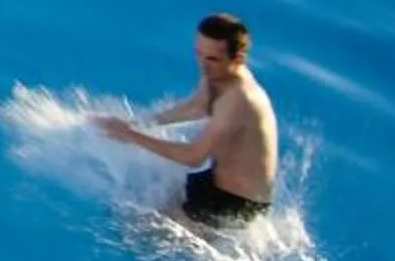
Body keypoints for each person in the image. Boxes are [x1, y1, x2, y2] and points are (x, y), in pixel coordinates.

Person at [92, 13, 279, 227]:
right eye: (199, 54)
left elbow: (194, 157)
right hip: (212, 180)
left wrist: (129, 135)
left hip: (235, 205)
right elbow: (197, 106)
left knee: (136, 230)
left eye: (212, 59)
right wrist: (136, 124)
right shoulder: (217, 72)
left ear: (238, 59)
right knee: (130, 211)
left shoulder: (239, 100)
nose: (203, 65)